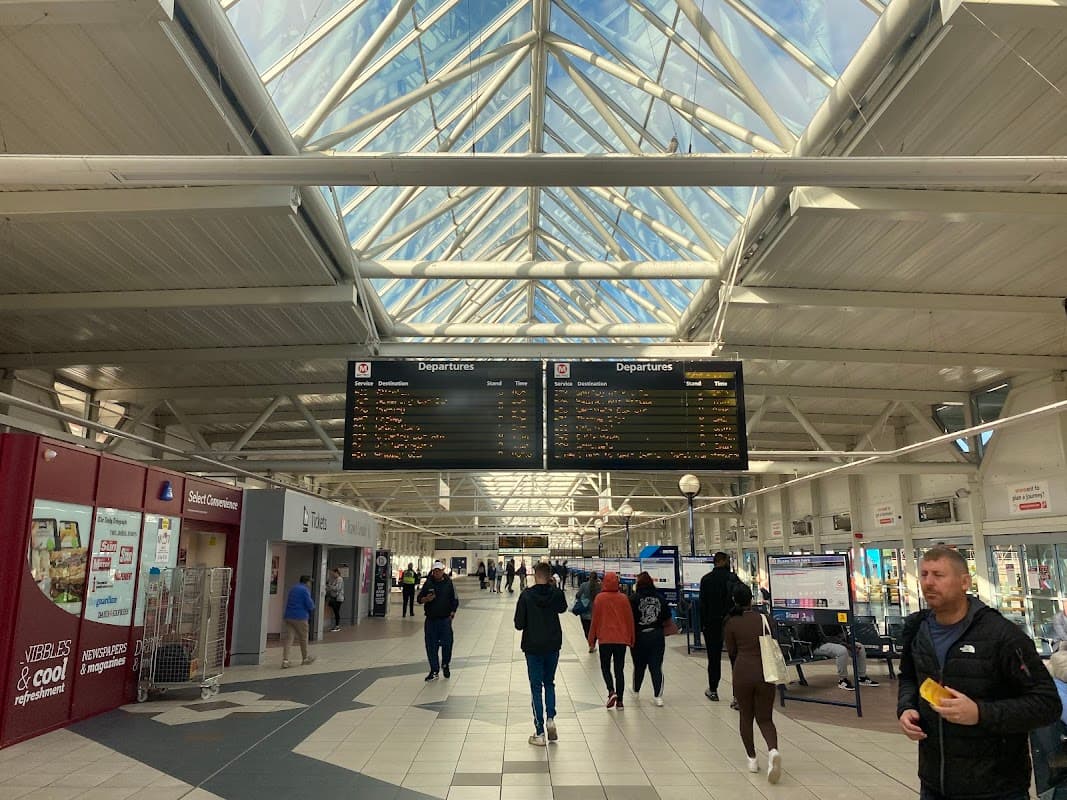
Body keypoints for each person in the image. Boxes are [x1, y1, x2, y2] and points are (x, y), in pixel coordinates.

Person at [897, 545, 1060, 800]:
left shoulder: (1002, 636)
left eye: (939, 575)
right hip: (934, 783)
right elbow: (908, 676)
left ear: (964, 582)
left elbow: (1047, 704)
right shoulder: (917, 628)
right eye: (924, 574)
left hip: (996, 787)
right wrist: (906, 707)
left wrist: (980, 713)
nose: (928, 582)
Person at [724, 584, 781, 783]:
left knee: (746, 717)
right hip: (766, 672)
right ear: (751, 600)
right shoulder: (765, 619)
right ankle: (773, 750)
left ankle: (752, 759)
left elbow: (731, 652)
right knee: (765, 719)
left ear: (734, 600)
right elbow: (774, 643)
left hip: (742, 672)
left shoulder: (731, 623)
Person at [514, 561, 567, 746]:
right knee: (549, 683)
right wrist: (554, 588)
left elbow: (518, 624)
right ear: (550, 575)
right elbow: (562, 608)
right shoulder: (556, 594)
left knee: (536, 687)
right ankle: (551, 718)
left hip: (533, 647)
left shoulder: (526, 596)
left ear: (535, 575)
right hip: (553, 645)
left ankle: (539, 731)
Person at [588, 572, 635, 708]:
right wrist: (631, 638)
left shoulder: (599, 599)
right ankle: (620, 701)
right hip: (621, 639)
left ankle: (611, 691)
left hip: (605, 639)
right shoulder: (624, 599)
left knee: (605, 667)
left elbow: (595, 621)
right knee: (619, 670)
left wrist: (592, 639)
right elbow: (629, 620)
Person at [699, 551, 740, 701]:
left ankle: (713, 690)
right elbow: (741, 598)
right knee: (735, 658)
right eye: (728, 560)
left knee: (714, 658)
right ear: (722, 561)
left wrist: (703, 625)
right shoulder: (733, 578)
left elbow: (702, 605)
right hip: (732, 623)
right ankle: (737, 695)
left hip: (712, 624)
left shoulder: (706, 580)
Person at [796, 622, 880, 690]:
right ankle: (843, 680)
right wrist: (847, 646)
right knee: (841, 651)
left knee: (860, 647)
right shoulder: (817, 619)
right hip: (817, 645)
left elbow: (844, 636)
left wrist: (850, 644)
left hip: (838, 643)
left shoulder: (836, 619)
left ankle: (862, 677)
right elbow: (825, 638)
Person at [630, 571, 670, 706]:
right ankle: (658, 696)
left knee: (639, 666)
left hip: (639, 636)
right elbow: (666, 616)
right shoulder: (660, 598)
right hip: (656, 636)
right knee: (656, 666)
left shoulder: (633, 598)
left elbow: (629, 618)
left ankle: (636, 691)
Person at [417, 561, 459, 681]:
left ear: (443, 571)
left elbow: (455, 599)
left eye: (439, 570)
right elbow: (419, 599)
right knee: (431, 646)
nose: (436, 573)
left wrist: (452, 612)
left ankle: (445, 664)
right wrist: (426, 599)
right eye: (435, 571)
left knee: (447, 644)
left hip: (445, 620)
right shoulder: (428, 583)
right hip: (431, 620)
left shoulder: (449, 583)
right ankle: (434, 670)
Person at [282, 575, 316, 669]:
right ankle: (305, 658)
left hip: (289, 616)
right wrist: (313, 606)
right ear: (307, 582)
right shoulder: (305, 590)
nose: (310, 584)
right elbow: (310, 605)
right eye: (310, 582)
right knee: (303, 637)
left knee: (289, 638)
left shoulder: (293, 588)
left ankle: (285, 660)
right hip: (300, 617)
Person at [577, 571, 601, 651]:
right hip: (596, 613)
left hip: (584, 612)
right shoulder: (599, 586)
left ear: (589, 577)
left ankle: (591, 644)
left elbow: (578, 595)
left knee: (586, 629)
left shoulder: (583, 585)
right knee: (594, 630)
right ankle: (593, 643)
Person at [325, 567, 344, 632]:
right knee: (336, 612)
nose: (332, 574)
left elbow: (337, 588)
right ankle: (336, 625)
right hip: (335, 598)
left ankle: (337, 626)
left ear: (336, 572)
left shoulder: (339, 579)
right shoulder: (336, 579)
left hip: (337, 598)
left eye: (333, 573)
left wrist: (329, 586)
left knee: (336, 612)